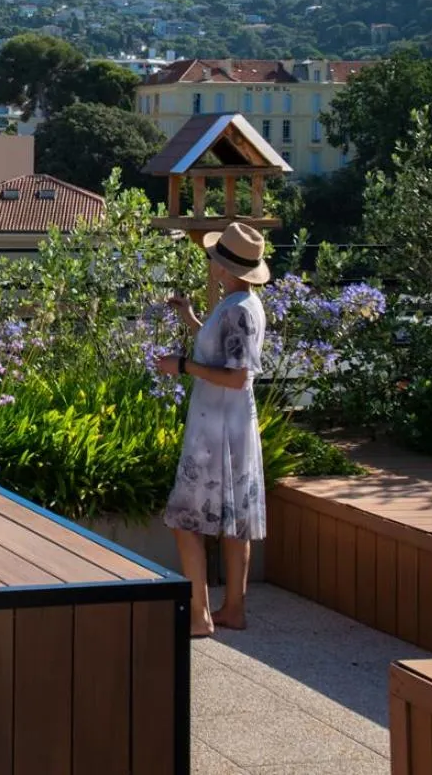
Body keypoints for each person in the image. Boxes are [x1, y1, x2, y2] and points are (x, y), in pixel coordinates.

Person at [153, 221, 270, 638]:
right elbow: (224, 349)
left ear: (226, 267)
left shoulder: (238, 309)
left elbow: (237, 376)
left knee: (185, 520)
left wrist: (181, 367)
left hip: (217, 429)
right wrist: (190, 319)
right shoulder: (243, 304)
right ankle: (233, 609)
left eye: (217, 258)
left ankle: (200, 615)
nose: (213, 264)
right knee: (235, 520)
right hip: (233, 424)